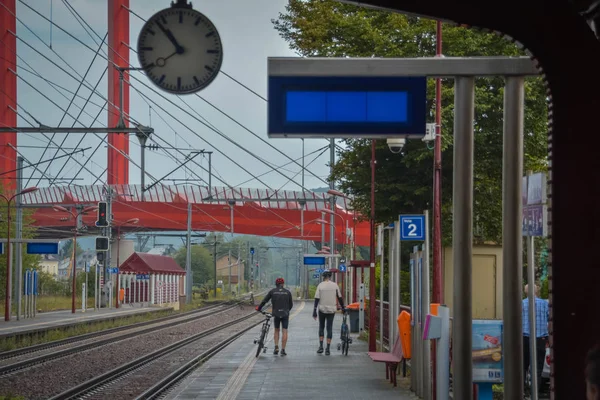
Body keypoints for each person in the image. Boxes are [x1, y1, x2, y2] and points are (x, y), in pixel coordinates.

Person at [522, 283, 549, 394]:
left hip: (525, 338)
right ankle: (535, 392)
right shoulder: (544, 304)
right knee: (537, 367)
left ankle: (522, 391)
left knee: (523, 366)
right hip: (540, 339)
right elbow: (550, 320)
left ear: (526, 292)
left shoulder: (521, 304)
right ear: (537, 291)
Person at [256, 277, 293, 356]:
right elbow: (291, 305)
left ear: (276, 284)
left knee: (276, 330)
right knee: (285, 331)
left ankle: (276, 347)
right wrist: (286, 310)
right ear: (283, 284)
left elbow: (264, 300)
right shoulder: (288, 292)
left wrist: (259, 308)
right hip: (285, 314)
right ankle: (283, 350)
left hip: (276, 314)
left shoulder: (272, 291)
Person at [313, 269, 345, 355]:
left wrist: (314, 311)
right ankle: (327, 348)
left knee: (321, 327)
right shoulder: (335, 285)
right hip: (332, 310)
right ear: (330, 277)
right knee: (329, 327)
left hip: (322, 309)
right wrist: (343, 308)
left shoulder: (320, 285)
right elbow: (340, 297)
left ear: (323, 277)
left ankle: (320, 347)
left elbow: (316, 299)